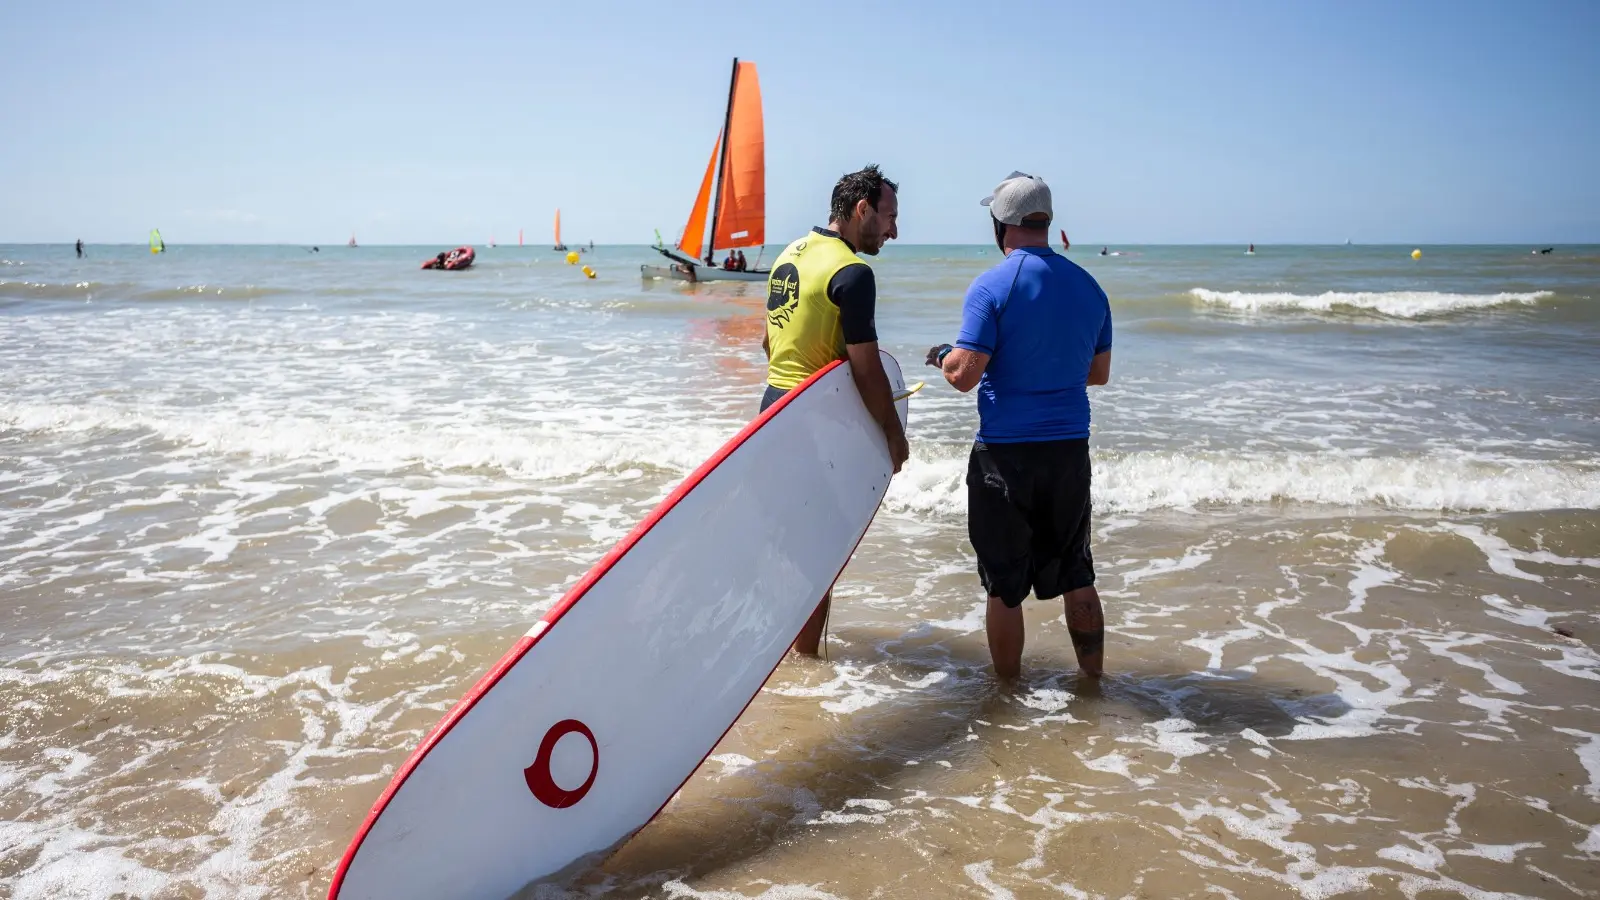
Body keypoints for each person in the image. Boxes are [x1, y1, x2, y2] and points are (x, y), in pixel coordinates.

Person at [925, 171, 1112, 681]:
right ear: (1046, 222)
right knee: (1078, 572)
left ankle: (1006, 694)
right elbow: (1098, 373)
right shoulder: (1089, 287)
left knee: (1005, 585)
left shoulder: (992, 285)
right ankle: (1093, 683)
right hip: (1069, 451)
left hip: (1004, 456)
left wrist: (942, 354)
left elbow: (964, 376)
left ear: (999, 223)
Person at [762, 163, 908, 656]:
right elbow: (866, 369)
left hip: (772, 412)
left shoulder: (790, 254)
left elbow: (770, 342)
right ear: (861, 209)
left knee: (794, 546)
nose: (893, 230)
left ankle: (789, 659)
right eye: (888, 217)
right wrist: (893, 432)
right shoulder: (853, 273)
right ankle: (805, 666)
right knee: (819, 554)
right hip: (811, 421)